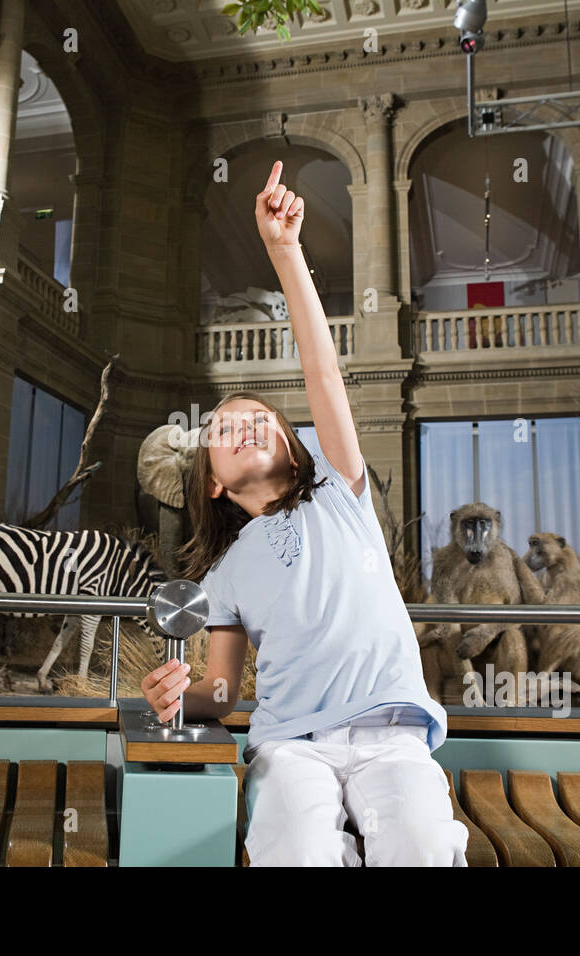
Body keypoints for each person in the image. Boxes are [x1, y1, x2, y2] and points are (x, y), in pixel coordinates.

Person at [141, 160, 469, 867]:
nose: (248, 424)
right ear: (214, 487)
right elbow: (224, 692)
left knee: (422, 846)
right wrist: (174, 696)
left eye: (261, 417)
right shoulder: (224, 573)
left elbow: (322, 373)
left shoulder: (340, 495)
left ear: (296, 449)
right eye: (226, 430)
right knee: (291, 849)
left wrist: (285, 251)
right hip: (290, 745)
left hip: (393, 736)